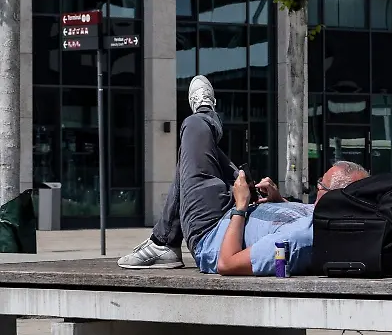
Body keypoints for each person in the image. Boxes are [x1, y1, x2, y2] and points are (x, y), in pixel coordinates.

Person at [117, 74, 368, 276]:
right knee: (197, 154)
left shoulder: (302, 238)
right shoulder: (324, 215)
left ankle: (206, 113)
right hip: (235, 211)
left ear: (335, 197)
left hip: (211, 231)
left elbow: (227, 263)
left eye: (320, 186)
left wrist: (239, 206)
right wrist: (278, 201)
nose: (316, 190)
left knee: (194, 129)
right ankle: (163, 243)